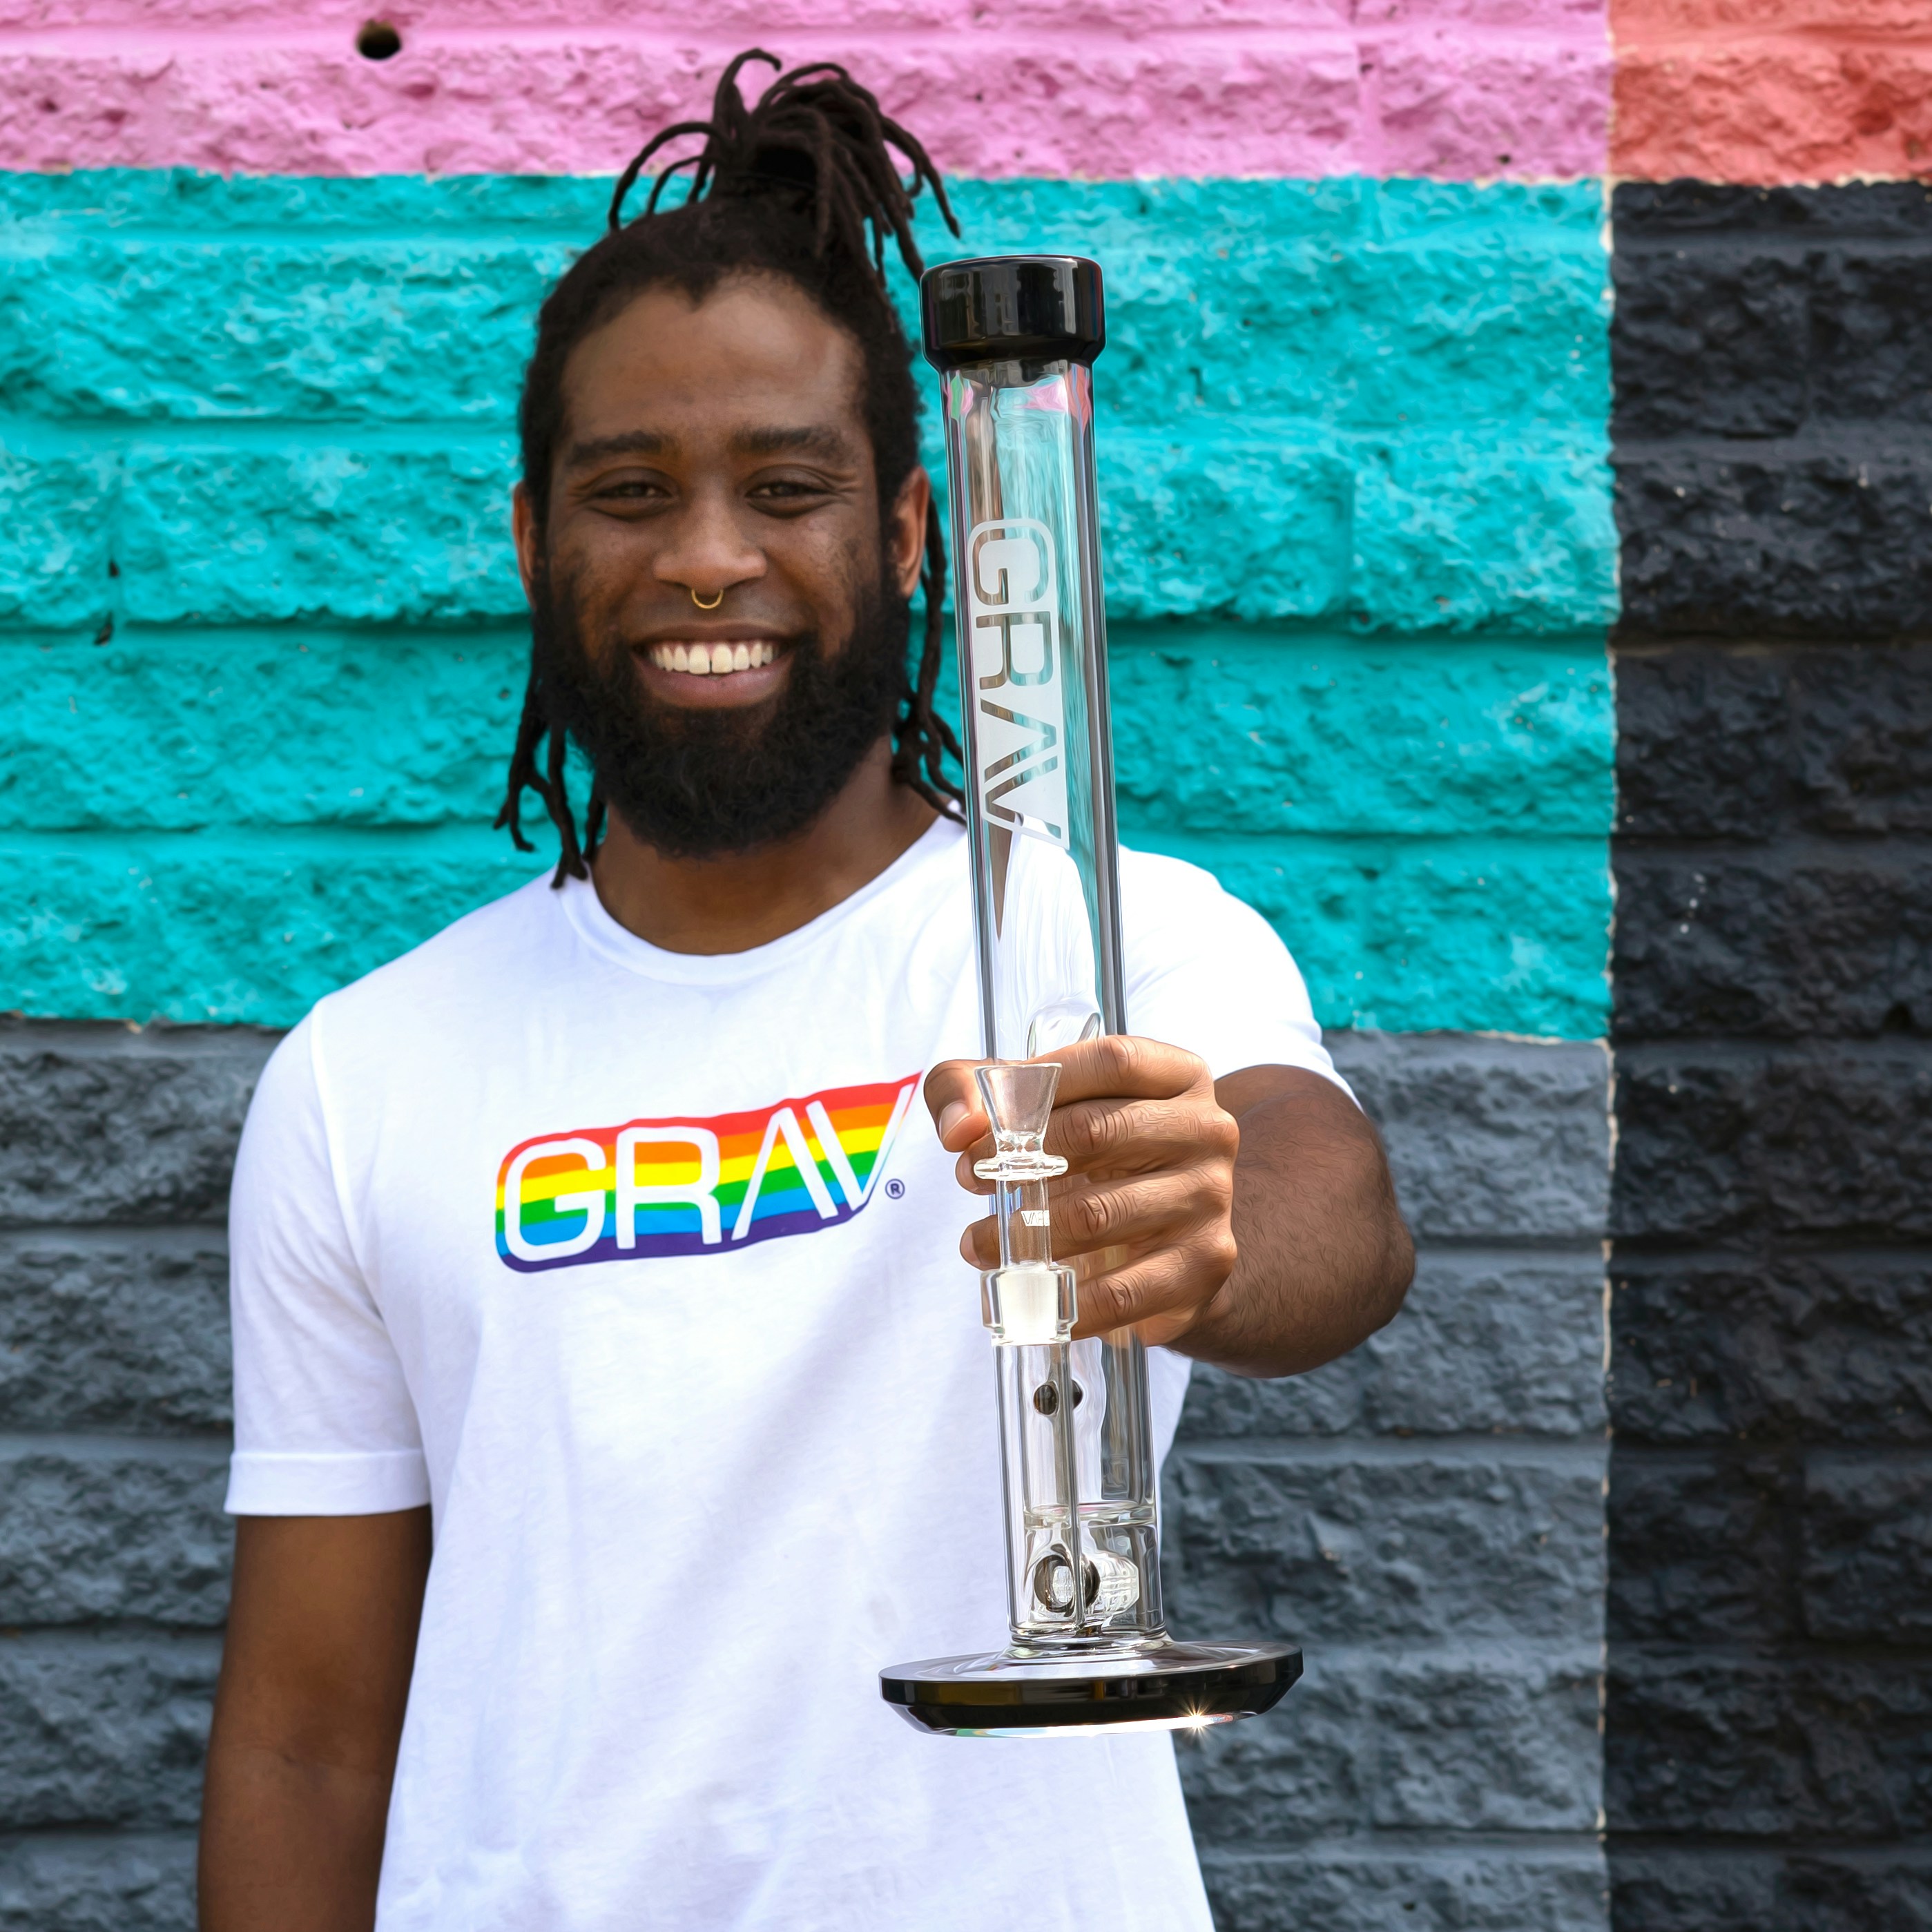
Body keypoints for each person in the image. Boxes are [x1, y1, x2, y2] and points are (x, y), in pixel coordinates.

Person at [197, 52, 1413, 1932]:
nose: (707, 556)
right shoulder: (365, 1074)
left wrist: (1207, 1236)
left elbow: (1329, 1218)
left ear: (912, 538)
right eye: (628, 491)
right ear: (531, 542)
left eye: (787, 487)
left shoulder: (1105, 944)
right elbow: (306, 1736)